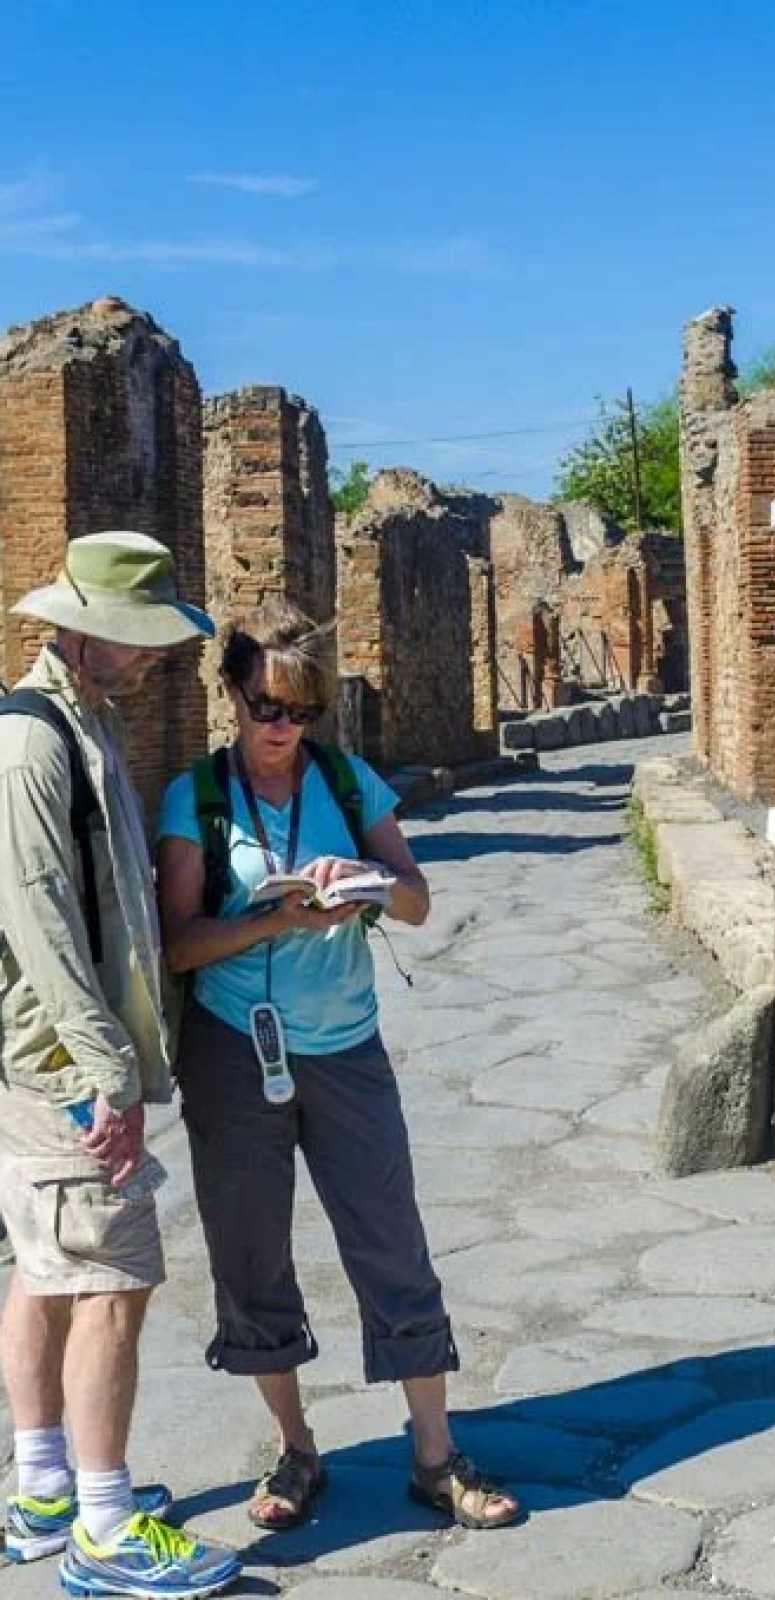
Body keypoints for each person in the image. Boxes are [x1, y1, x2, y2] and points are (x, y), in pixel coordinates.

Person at [155, 600, 519, 1534]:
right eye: (268, 707)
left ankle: (436, 1458)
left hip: (346, 1047)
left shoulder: (349, 784)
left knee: (391, 1241)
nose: (284, 729)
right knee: (250, 1253)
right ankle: (297, 1449)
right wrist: (279, 914)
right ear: (232, 693)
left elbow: (417, 902)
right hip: (236, 1052)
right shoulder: (194, 799)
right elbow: (180, 946)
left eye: (303, 712)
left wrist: (359, 883)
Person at [0, 531, 241, 1598]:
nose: (151, 660)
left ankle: (45, 1490)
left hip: (56, 1061)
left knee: (46, 1272)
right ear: (84, 629)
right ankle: (103, 1526)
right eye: (138, 642)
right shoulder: (31, 744)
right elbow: (40, 916)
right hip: (64, 1066)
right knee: (113, 1281)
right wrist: (104, 1072)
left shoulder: (81, 719)